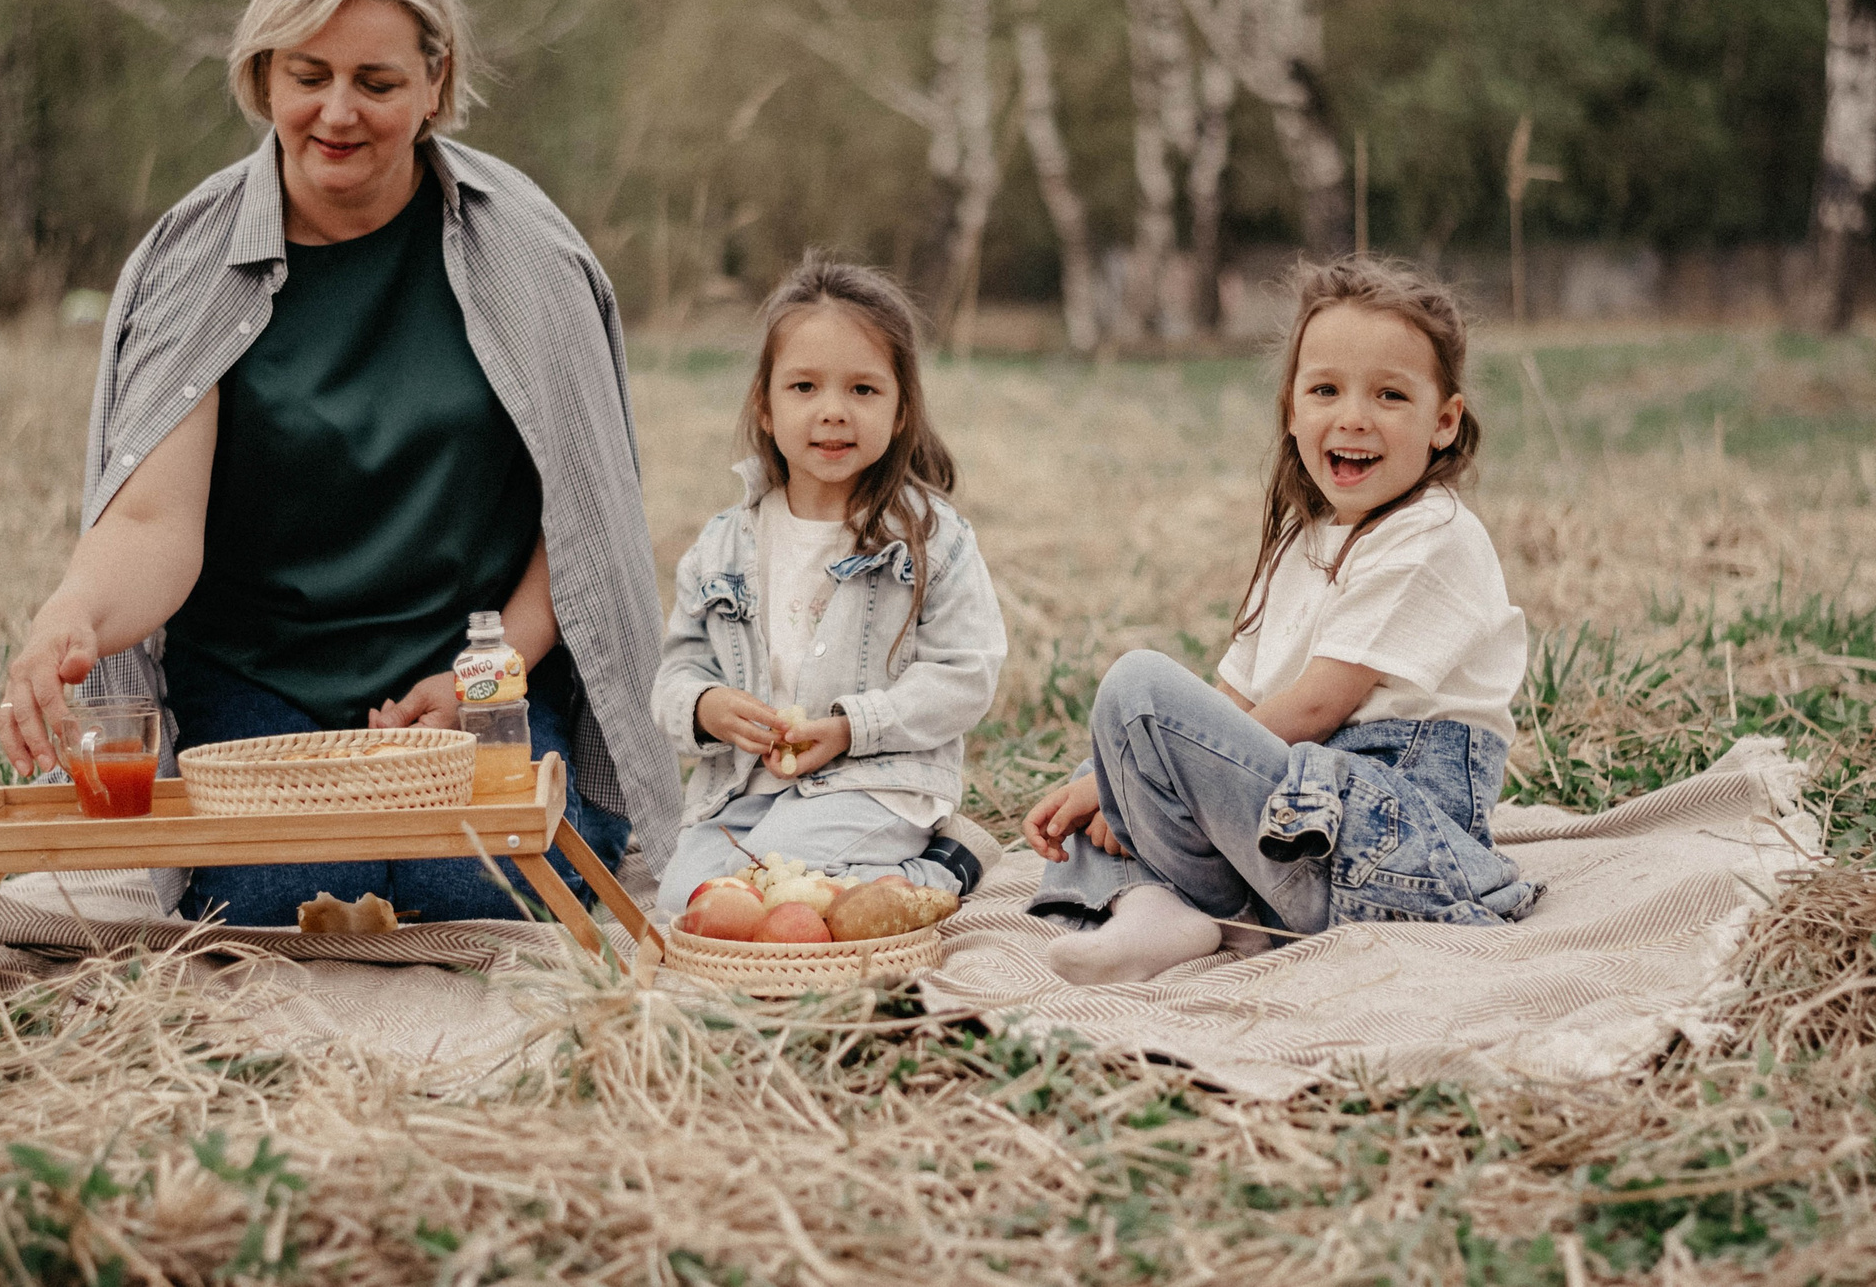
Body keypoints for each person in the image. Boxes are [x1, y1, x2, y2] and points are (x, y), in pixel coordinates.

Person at [0, 0, 678, 924]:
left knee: (474, 890)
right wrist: (72, 616)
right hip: (261, 686)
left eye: (378, 81)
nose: (337, 112)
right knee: (283, 897)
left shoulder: (528, 253)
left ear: (435, 84)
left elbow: (578, 523)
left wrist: (482, 676)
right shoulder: (194, 262)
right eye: (307, 74)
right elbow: (152, 525)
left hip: (475, 678)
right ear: (263, 75)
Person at [1022, 256, 1541, 984]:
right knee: (1110, 755)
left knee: (1136, 695)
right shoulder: (1303, 539)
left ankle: (1180, 899)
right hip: (1290, 833)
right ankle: (1164, 909)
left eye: (1391, 394)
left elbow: (1321, 703)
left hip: (1379, 849)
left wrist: (1128, 779)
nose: (1353, 416)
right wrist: (1116, 775)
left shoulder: (1432, 534)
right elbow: (1231, 704)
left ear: (1444, 421)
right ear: (1293, 410)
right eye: (1325, 389)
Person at [651, 257, 1007, 911]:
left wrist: (849, 727)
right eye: (805, 387)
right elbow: (676, 670)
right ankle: (878, 883)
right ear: (765, 403)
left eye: (863, 390)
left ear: (902, 411)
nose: (833, 412)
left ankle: (943, 868)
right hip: (746, 790)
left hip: (873, 783)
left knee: (763, 883)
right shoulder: (722, 546)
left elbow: (966, 675)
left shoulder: (932, 540)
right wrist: (706, 706)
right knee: (685, 902)